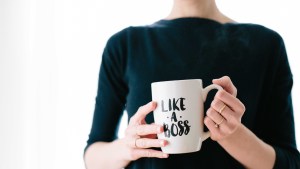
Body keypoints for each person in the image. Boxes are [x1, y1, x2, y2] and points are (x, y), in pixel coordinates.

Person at [84, 0, 300, 168]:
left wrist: (232, 135)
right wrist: (128, 147)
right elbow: (92, 157)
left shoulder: (266, 45)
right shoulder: (124, 46)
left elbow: (289, 162)